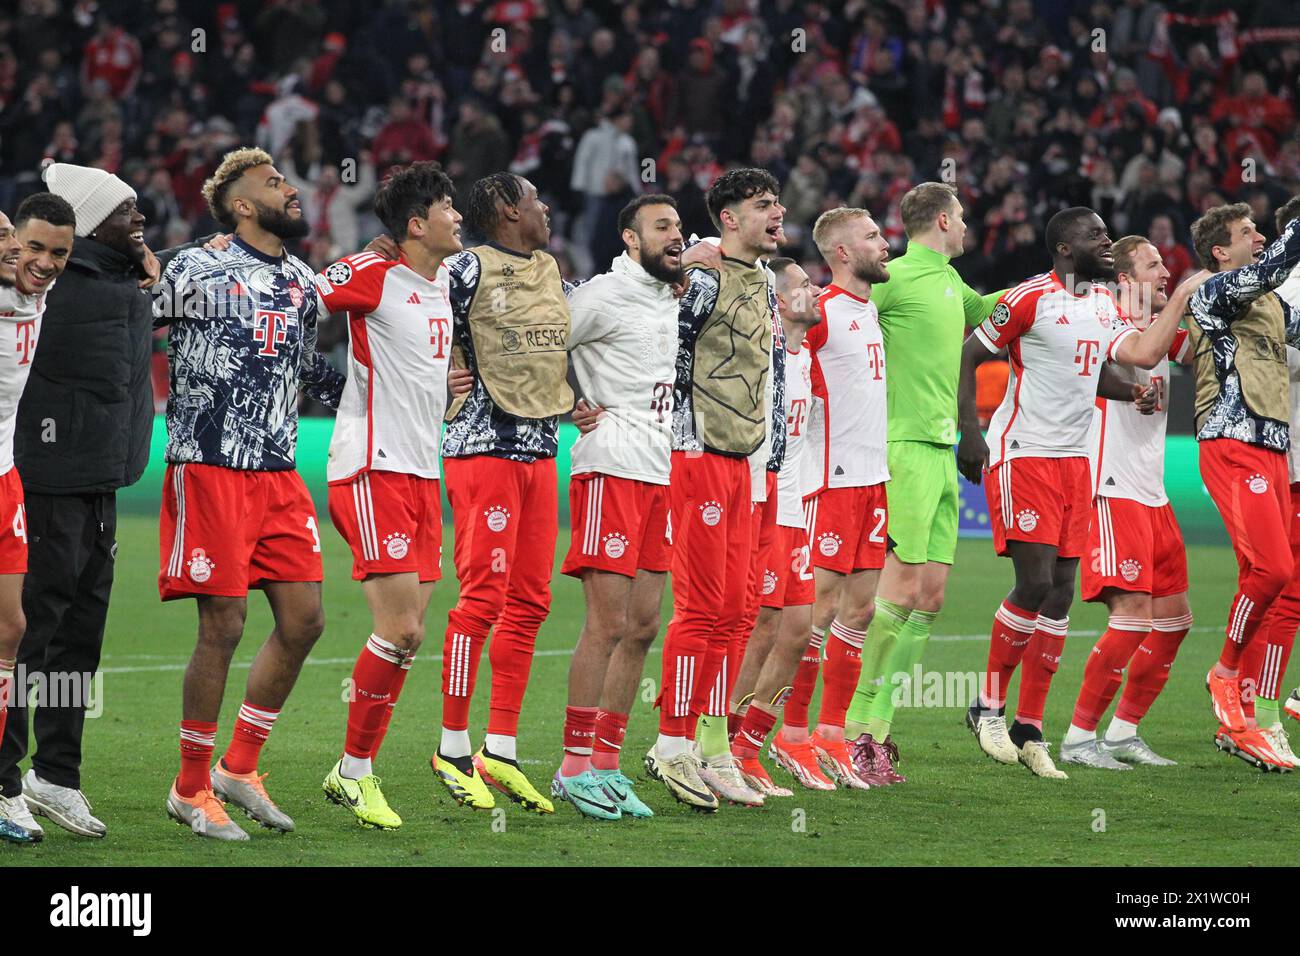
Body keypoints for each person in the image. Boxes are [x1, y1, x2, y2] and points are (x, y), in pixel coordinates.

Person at [957, 206, 1198, 779]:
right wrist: (968, 430)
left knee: (1062, 595)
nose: (1106, 240)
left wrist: (1128, 393)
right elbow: (971, 353)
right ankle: (988, 706)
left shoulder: (1103, 306)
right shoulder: (1028, 298)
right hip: (1024, 454)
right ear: (1065, 249)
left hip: (1074, 462)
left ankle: (1031, 727)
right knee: (1035, 583)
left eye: (1108, 232)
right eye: (1095, 235)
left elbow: (1121, 363)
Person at [156, 146, 345, 840]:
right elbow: (129, 330)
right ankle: (188, 786)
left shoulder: (302, 278)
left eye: (288, 180)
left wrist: (384, 393)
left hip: (278, 469)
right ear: (240, 204)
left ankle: (239, 767)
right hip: (208, 464)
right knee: (224, 625)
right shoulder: (195, 268)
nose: (290, 190)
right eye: (273, 184)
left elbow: (308, 370)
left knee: (304, 621)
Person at [0, 163, 156, 842]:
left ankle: (56, 774)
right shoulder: (48, 284)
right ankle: (6, 776)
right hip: (43, 483)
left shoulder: (127, 279)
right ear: (94, 222)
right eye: (127, 212)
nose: (141, 220)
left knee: (79, 641)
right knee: (28, 638)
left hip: (101, 484)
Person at [316, 162, 466, 829]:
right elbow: (307, 292)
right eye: (447, 207)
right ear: (415, 223)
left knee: (410, 637)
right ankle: (354, 771)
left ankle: (353, 771)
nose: (457, 216)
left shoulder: (442, 288)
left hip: (420, 473)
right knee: (399, 627)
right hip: (369, 466)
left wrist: (443, 394)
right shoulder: (374, 275)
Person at [839, 183, 1004, 765]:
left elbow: (994, 317)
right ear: (941, 219)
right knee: (898, 590)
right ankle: (851, 728)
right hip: (901, 447)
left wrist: (1054, 289)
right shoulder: (896, 278)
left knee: (930, 599)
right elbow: (841, 326)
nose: (967, 228)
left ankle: (878, 729)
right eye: (961, 218)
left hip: (941, 450)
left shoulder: (950, 282)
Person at [431, 173, 572, 814]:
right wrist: (438, 377)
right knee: (483, 597)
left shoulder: (548, 269)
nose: (546, 209)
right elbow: (409, 313)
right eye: (537, 200)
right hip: (481, 449)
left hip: (541, 451)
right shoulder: (463, 268)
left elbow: (576, 331)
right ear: (511, 210)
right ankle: (452, 746)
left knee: (532, 601)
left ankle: (501, 749)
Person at [645, 168, 784, 811]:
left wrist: (769, 453)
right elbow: (664, 357)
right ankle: (670, 746)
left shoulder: (764, 280)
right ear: (728, 219)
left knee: (736, 611)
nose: (777, 212)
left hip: (744, 459)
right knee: (701, 609)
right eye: (762, 205)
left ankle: (713, 747)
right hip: (698, 454)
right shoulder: (700, 279)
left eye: (777, 202)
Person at [551, 193, 684, 820]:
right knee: (605, 625)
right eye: (662, 227)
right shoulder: (600, 295)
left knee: (643, 626)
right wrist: (566, 401)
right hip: (612, 467)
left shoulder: (675, 295)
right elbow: (541, 345)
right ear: (630, 239)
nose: (676, 236)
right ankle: (572, 767)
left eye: (679, 226)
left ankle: (607, 764)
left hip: (663, 472)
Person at [1059, 234, 1196, 769]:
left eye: (1167, 265)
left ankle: (1122, 732)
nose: (1165, 271)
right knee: (1133, 619)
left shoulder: (1157, 326)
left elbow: (1196, 348)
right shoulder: (1106, 320)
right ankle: (1077, 738)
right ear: (1123, 280)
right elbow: (1141, 352)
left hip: (1152, 493)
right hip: (1110, 488)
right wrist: (1186, 292)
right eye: (1154, 265)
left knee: (1175, 621)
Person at [771, 206, 890, 791]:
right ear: (841, 252)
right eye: (872, 237)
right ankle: (790, 737)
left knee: (860, 613)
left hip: (872, 479)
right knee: (815, 615)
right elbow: (781, 355)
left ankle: (831, 735)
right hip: (829, 481)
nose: (885, 244)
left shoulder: (869, 311)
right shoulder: (820, 312)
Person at [1185, 200, 1300, 770]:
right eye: (1247, 231)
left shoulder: (1274, 304)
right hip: (1231, 441)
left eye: (1260, 228)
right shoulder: (1212, 292)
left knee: (1274, 581)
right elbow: (1273, 266)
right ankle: (1225, 672)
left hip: (1276, 448)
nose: (1259, 236)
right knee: (1274, 570)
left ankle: (1249, 715)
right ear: (1220, 252)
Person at [729, 257, 821, 796]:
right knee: (758, 626)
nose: (815, 291)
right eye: (804, 286)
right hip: (759, 501)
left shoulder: (805, 357)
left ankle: (747, 746)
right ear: (778, 301)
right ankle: (712, 743)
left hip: (796, 507)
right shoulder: (758, 352)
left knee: (797, 631)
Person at [0, 195, 76, 844]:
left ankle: (2, 787)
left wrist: (148, 255)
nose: (46, 263)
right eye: (34, 249)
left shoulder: (40, 290)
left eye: (60, 253)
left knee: (13, 625)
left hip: (6, 479)